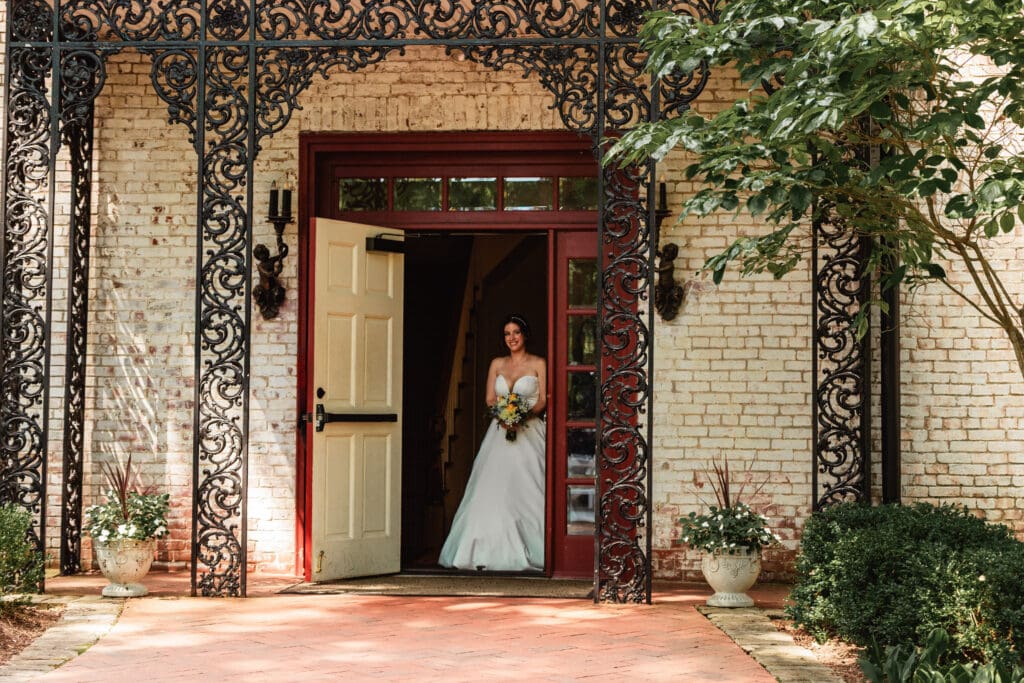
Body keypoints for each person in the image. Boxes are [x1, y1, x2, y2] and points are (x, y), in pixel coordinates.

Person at [438, 313, 547, 571]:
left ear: (525, 335)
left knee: (528, 488)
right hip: (500, 432)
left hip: (529, 431)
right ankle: (481, 550)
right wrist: (505, 416)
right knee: (492, 488)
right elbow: (490, 399)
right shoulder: (497, 364)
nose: (512, 338)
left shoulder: (538, 363)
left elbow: (542, 400)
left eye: (516, 333)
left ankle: (535, 548)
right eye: (507, 334)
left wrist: (522, 415)